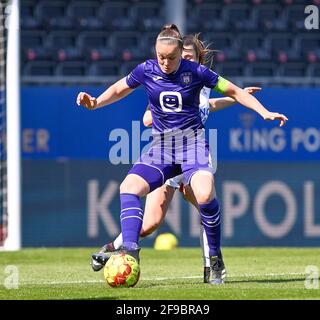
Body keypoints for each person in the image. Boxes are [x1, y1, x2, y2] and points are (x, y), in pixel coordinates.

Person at [77, 24, 288, 285]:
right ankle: (129, 250)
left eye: (171, 58)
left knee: (204, 194)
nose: (165, 63)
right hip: (162, 148)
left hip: (192, 146)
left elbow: (233, 90)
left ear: (181, 53)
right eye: (160, 57)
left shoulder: (198, 72)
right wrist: (96, 102)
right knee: (129, 188)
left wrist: (263, 112)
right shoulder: (146, 69)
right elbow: (120, 88)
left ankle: (215, 258)